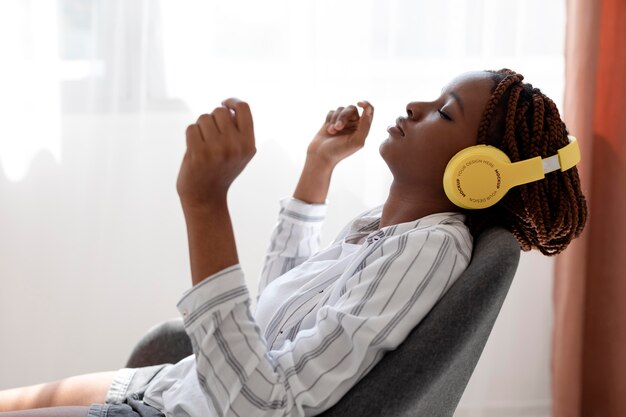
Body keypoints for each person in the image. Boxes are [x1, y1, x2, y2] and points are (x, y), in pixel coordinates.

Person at [0, 69, 587, 417]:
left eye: (444, 113)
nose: (416, 106)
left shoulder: (428, 252)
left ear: (478, 173)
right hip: (180, 389)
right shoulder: (386, 235)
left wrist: (205, 206)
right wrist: (317, 168)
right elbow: (280, 320)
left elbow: (262, 406)